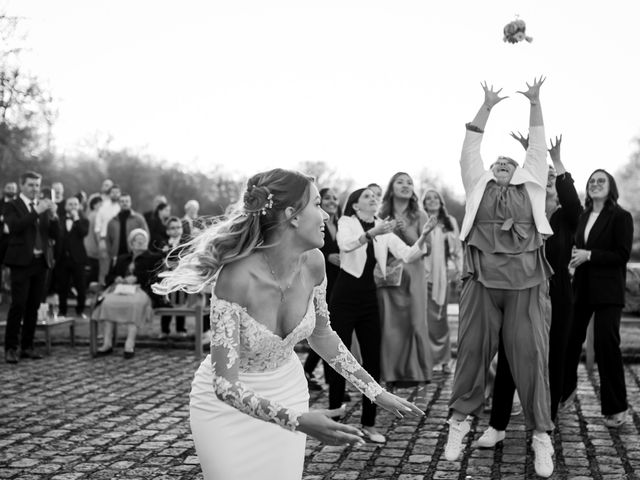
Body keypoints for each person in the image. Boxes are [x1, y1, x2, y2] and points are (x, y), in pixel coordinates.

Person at [153, 169, 424, 480]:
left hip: (288, 389)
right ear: (292, 215)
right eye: (318, 204)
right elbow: (224, 385)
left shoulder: (314, 262)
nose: (325, 215)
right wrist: (298, 421)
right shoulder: (237, 277)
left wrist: (375, 392)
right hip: (225, 408)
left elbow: (323, 335)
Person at [444, 78, 555, 478]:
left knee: (530, 358)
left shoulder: (534, 185)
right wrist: (486, 106)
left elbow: (539, 147)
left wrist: (536, 103)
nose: (503, 164)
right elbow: (470, 146)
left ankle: (541, 436)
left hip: (526, 284)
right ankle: (458, 424)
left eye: (510, 162)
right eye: (498, 163)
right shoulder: (477, 183)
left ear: (521, 168)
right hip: (482, 283)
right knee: (471, 352)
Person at [477, 133, 582, 447]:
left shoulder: (567, 217)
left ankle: (544, 428)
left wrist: (556, 160)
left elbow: (573, 200)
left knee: (554, 358)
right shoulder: (522, 211)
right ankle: (497, 426)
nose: (548, 180)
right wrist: (531, 155)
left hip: (558, 293)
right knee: (511, 356)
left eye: (553, 178)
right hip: (522, 290)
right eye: (543, 175)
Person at [326, 186, 436, 444]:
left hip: (369, 300)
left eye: (374, 196)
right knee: (339, 358)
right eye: (367, 196)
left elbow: (407, 254)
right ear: (355, 205)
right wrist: (370, 234)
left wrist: (423, 236)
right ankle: (334, 420)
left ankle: (369, 423)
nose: (373, 199)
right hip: (343, 297)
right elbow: (345, 245)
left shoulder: (383, 227)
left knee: (372, 362)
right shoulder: (347, 221)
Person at [562, 169, 633, 428]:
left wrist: (589, 255)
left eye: (600, 180)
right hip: (581, 289)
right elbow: (577, 247)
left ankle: (617, 408)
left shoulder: (621, 216)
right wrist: (575, 256)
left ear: (610, 186)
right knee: (569, 342)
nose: (595, 184)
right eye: (591, 181)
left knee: (606, 347)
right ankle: (564, 394)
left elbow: (621, 255)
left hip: (608, 293)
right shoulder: (582, 216)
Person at [377, 172, 433, 392]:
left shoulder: (419, 215)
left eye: (409, 182)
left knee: (416, 322)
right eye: (400, 182)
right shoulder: (381, 213)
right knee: (390, 325)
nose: (406, 185)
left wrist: (405, 230)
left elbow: (424, 248)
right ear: (391, 188)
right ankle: (390, 374)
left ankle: (417, 374)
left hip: (413, 274)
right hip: (389, 275)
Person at [3, 171, 59, 363]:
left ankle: (27, 346)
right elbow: (15, 226)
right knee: (18, 304)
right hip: (21, 261)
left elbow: (54, 235)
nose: (35, 189)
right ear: (22, 186)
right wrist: (37, 212)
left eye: (37, 185)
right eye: (31, 185)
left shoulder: (42, 206)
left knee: (33, 306)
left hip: (40, 262)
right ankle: (11, 347)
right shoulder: (12, 205)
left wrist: (53, 217)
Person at [92, 228, 160, 359]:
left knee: (134, 304)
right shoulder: (123, 258)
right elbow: (109, 276)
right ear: (131, 243)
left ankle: (130, 343)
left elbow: (155, 278)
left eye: (143, 240)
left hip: (140, 290)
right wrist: (116, 278)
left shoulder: (153, 258)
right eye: (137, 241)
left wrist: (137, 278)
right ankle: (107, 343)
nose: (141, 243)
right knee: (106, 302)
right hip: (120, 289)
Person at [303, 187, 341, 391]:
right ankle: (313, 373)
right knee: (319, 326)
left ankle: (327, 377)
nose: (332, 201)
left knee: (325, 326)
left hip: (337, 279)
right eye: (326, 199)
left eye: (335, 198)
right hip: (322, 274)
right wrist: (328, 257)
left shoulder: (339, 223)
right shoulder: (315, 225)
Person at [421, 188, 462, 374]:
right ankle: (428, 359)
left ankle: (444, 359)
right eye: (428, 198)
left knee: (440, 317)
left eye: (435, 197)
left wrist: (460, 272)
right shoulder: (421, 220)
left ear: (440, 201)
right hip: (423, 275)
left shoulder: (449, 221)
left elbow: (457, 250)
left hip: (442, 276)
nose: (432, 200)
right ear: (424, 203)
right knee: (426, 319)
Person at [54, 196, 90, 319]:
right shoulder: (59, 220)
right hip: (62, 259)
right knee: (62, 287)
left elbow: (83, 233)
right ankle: (62, 310)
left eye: (75, 204)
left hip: (78, 258)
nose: (73, 207)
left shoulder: (84, 221)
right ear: (65, 207)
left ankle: (80, 310)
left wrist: (76, 219)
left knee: (81, 286)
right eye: (70, 204)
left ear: (79, 206)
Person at [105, 193, 149, 264]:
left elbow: (146, 236)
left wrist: (142, 253)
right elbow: (108, 240)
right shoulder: (112, 221)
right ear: (119, 203)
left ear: (130, 203)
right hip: (117, 257)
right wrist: (111, 254)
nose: (124, 203)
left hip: (134, 256)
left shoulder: (139, 219)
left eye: (127, 201)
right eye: (122, 201)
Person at [95, 184, 121, 285]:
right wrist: (100, 241)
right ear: (109, 194)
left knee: (116, 266)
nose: (115, 194)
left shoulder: (120, 207)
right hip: (104, 239)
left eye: (117, 192)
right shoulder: (103, 207)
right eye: (113, 192)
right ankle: (102, 288)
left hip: (117, 240)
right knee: (104, 266)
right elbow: (97, 226)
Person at [83, 194, 103, 286]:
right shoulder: (96, 216)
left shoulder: (90, 215)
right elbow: (97, 233)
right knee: (94, 274)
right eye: (100, 204)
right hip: (95, 249)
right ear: (94, 205)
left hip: (87, 247)